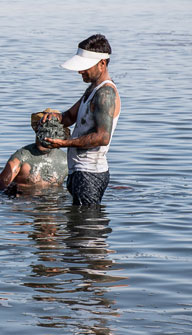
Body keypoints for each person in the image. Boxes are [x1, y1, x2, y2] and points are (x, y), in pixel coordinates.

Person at [44, 34, 121, 206]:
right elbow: (70, 117)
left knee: (87, 229)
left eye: (85, 66)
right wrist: (54, 117)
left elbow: (102, 137)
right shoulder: (93, 89)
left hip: (90, 173)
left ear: (102, 63)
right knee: (77, 229)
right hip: (79, 171)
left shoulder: (105, 94)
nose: (80, 71)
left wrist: (63, 144)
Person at [0, 112, 68, 194]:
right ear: (37, 128)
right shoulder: (22, 156)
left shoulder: (66, 160)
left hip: (53, 203)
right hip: (26, 201)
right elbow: (1, 183)